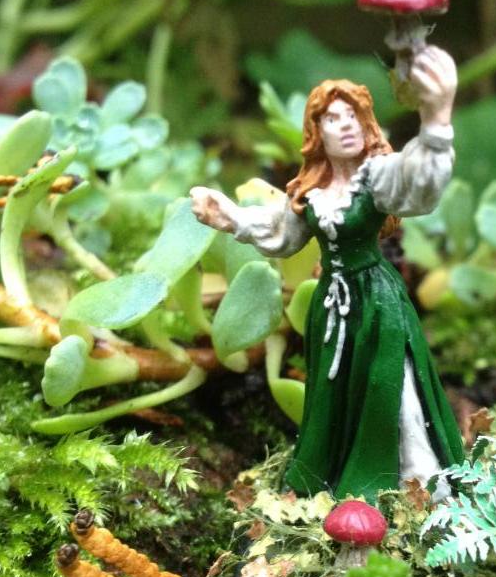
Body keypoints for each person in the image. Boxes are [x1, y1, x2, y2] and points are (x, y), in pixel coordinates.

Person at [190, 45, 464, 500]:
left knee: (392, 386)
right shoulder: (313, 191)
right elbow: (283, 230)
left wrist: (436, 121)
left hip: (377, 303)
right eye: (334, 119)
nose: (347, 125)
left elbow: (419, 185)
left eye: (353, 116)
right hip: (332, 307)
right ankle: (331, 477)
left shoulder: (377, 177)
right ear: (317, 131)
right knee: (334, 394)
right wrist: (231, 217)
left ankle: (419, 480)